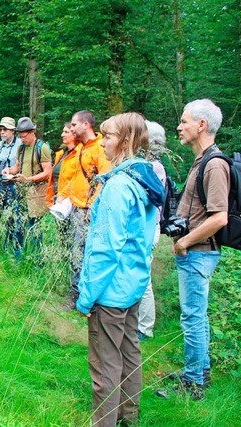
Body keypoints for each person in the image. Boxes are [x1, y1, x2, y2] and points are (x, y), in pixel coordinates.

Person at [77, 112, 164, 427]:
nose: (103, 143)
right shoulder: (144, 178)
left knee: (105, 366)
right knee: (130, 354)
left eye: (109, 136)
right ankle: (129, 418)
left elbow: (105, 249)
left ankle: (105, 423)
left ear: (126, 140)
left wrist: (87, 297)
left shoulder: (118, 186)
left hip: (111, 291)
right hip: (133, 285)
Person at [169, 99, 230, 400]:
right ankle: (198, 371)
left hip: (198, 252)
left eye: (184, 121)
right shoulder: (200, 160)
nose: (179, 127)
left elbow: (220, 217)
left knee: (192, 317)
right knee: (196, 316)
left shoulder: (215, 164)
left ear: (201, 125)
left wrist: (184, 241)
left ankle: (193, 383)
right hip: (194, 252)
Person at [61, 110, 112, 310]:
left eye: (74, 125)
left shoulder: (100, 147)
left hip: (87, 211)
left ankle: (80, 298)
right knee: (75, 251)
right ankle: (79, 294)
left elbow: (104, 178)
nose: (71, 129)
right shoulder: (81, 148)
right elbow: (75, 177)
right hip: (74, 206)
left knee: (81, 253)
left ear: (86, 125)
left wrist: (93, 205)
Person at [137, 120, 167, 341]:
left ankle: (145, 328)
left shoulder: (154, 168)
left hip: (149, 228)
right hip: (143, 227)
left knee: (143, 277)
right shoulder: (146, 165)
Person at [4, 117, 52, 254]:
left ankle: (37, 257)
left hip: (36, 194)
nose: (22, 139)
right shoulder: (20, 148)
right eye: (20, 136)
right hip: (21, 193)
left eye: (24, 136)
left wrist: (28, 179)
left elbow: (48, 172)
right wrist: (9, 171)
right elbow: (17, 167)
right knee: (18, 225)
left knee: (35, 227)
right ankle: (18, 256)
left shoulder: (42, 148)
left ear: (32, 132)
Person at [0, 117, 23, 258]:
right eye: (0, 129)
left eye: (5, 129)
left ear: (13, 130)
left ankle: (11, 251)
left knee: (12, 220)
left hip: (12, 186)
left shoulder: (20, 145)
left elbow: (21, 166)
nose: (2, 132)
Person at [46, 122, 80, 251]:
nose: (62, 135)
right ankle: (65, 264)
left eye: (66, 132)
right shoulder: (61, 154)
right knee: (63, 234)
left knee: (73, 235)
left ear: (75, 133)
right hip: (59, 200)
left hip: (72, 201)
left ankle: (74, 266)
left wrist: (65, 194)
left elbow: (78, 178)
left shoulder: (80, 153)